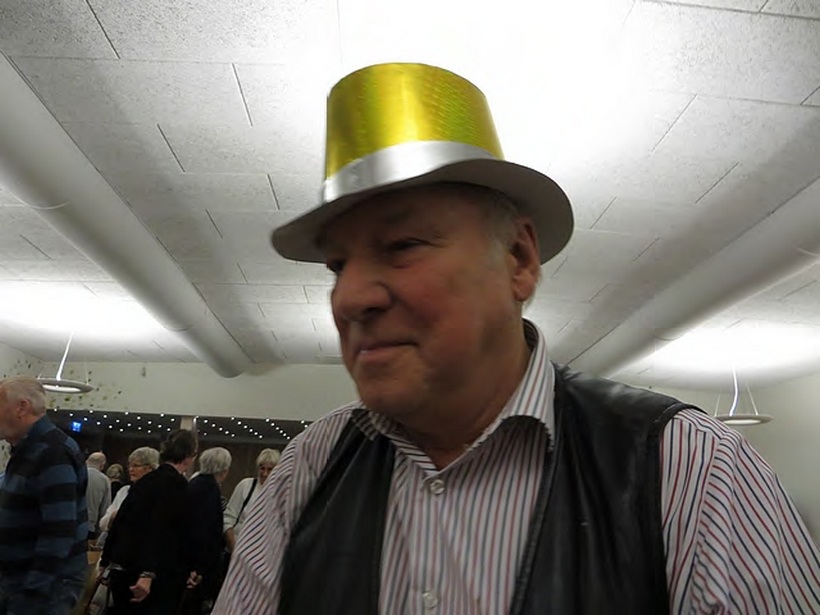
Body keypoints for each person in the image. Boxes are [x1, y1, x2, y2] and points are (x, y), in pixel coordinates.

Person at [214, 63, 820, 614]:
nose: (349, 298)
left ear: (519, 259)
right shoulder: (308, 470)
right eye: (337, 265)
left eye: (402, 246)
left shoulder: (688, 470)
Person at [0, 375, 88, 614]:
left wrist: (32, 593)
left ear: (22, 407)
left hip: (44, 587)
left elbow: (59, 531)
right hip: (21, 580)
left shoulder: (52, 452)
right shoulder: (27, 449)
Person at [100, 430, 197, 613]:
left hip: (123, 570)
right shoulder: (178, 486)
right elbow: (161, 531)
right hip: (151, 578)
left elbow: (120, 521)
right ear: (189, 456)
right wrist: (148, 573)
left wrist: (105, 561)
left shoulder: (144, 483)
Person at [182, 447, 232, 614]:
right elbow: (205, 532)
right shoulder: (210, 491)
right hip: (197, 565)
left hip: (187, 559)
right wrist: (200, 568)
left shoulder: (195, 484)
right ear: (224, 470)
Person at [221, 448, 280, 555]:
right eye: (262, 468)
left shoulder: (281, 493)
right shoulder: (245, 486)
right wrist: (235, 550)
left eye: (270, 469)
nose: (265, 473)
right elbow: (228, 519)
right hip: (239, 549)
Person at [86, 451, 111, 542]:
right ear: (102, 465)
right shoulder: (104, 480)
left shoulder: (77, 473)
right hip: (89, 527)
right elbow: (105, 508)